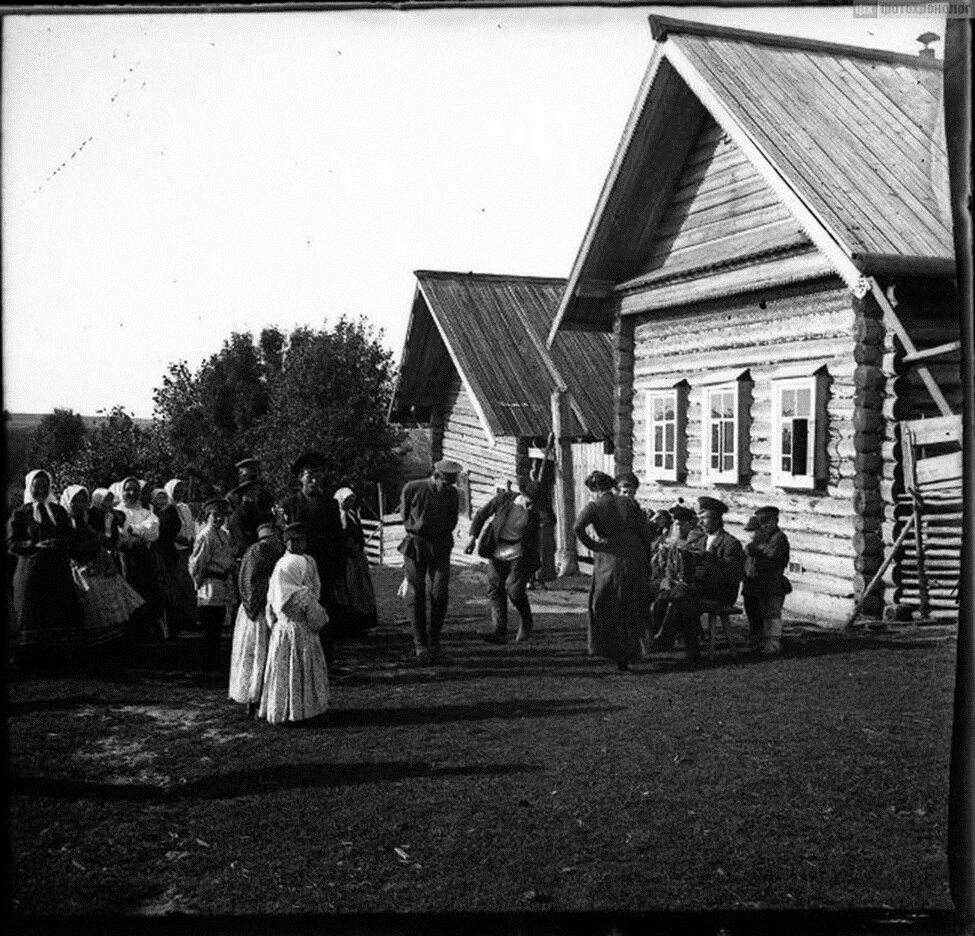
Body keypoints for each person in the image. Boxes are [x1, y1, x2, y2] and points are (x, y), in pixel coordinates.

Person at [573, 470, 654, 672]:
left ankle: (612, 651)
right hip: (634, 555)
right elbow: (645, 534)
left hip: (609, 557)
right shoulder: (629, 503)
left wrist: (594, 545)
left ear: (594, 490)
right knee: (632, 603)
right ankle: (633, 652)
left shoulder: (595, 506)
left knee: (606, 602)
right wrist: (645, 559)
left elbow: (577, 527)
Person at [653, 496, 745, 665]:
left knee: (675, 599)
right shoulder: (700, 540)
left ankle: (663, 638)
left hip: (722, 593)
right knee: (678, 600)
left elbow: (734, 574)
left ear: (717, 519)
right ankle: (687, 650)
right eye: (700, 518)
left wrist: (708, 571)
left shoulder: (730, 543)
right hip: (699, 589)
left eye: (705, 518)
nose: (701, 522)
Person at [258, 522, 330, 725]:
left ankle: (294, 708)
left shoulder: (300, 564)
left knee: (291, 669)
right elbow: (313, 616)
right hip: (296, 629)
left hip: (291, 629)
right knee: (295, 668)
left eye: (301, 540)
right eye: (293, 540)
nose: (298, 544)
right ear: (286, 542)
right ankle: (296, 709)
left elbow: (313, 588)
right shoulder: (291, 576)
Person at [7, 470, 84, 660]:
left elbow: (70, 536)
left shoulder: (58, 511)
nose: (41, 490)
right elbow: (12, 543)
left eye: (44, 486)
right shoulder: (21, 513)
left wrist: (59, 543)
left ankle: (59, 654)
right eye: (37, 486)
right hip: (32, 569)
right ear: (29, 487)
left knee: (58, 608)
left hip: (57, 569)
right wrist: (34, 545)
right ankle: (32, 656)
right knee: (33, 611)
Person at [280, 452, 345, 667]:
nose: (314, 481)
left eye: (318, 477)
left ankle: (324, 663)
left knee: (323, 615)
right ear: (300, 478)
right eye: (310, 476)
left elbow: (338, 541)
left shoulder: (330, 505)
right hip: (298, 570)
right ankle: (300, 664)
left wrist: (338, 575)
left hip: (324, 568)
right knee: (298, 616)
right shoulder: (290, 504)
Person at [62, 484, 143, 649]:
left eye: (83, 500)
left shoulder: (88, 518)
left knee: (112, 600)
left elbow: (104, 537)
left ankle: (110, 640)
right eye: (75, 500)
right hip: (78, 567)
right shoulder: (64, 521)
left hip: (95, 563)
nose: (79, 504)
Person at [465, 475, 542, 644]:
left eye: (535, 504)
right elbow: (481, 514)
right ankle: (499, 631)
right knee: (495, 588)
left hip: (518, 553)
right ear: (522, 495)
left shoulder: (534, 515)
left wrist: (534, 564)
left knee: (514, 590)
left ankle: (526, 621)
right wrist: (472, 538)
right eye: (529, 502)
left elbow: (535, 540)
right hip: (497, 549)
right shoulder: (504, 500)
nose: (531, 506)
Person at [398, 459, 461, 663]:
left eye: (450, 484)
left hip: (441, 545)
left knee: (439, 593)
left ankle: (435, 641)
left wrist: (440, 534)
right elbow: (404, 515)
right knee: (416, 594)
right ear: (435, 476)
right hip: (417, 544)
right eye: (444, 483)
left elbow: (453, 519)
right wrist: (418, 529)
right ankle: (420, 643)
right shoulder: (413, 488)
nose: (446, 487)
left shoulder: (451, 494)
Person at [229, 522, 285, 718]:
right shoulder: (261, 552)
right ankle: (255, 697)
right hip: (260, 611)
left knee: (256, 654)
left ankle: (257, 699)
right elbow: (253, 583)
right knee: (259, 653)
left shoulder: (254, 551)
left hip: (253, 611)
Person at [648, 502, 704, 653]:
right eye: (676, 524)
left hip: (694, 587)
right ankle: (649, 634)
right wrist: (668, 580)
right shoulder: (675, 542)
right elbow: (669, 567)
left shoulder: (697, 541)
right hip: (674, 583)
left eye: (680, 524)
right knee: (648, 591)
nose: (677, 528)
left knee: (668, 599)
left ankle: (661, 638)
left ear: (688, 525)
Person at [188, 497, 236, 669]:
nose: (218, 519)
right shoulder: (205, 535)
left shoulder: (224, 535)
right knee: (209, 625)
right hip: (210, 582)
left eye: (221, 515)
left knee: (218, 624)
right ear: (207, 516)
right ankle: (205, 662)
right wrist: (198, 582)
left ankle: (213, 659)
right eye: (214, 515)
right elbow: (196, 562)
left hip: (223, 583)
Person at [113, 476, 162, 643]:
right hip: (123, 561)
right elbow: (117, 535)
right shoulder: (116, 512)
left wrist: (132, 529)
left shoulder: (146, 512)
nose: (131, 493)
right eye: (127, 489)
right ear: (121, 491)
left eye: (135, 490)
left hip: (144, 561)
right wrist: (139, 534)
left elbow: (153, 532)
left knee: (146, 595)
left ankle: (146, 632)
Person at [743, 506, 791, 656]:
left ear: (775, 521)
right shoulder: (760, 538)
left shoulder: (779, 538)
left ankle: (773, 643)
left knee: (771, 613)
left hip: (773, 581)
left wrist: (756, 547)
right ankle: (757, 641)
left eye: (766, 522)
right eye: (761, 523)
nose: (763, 526)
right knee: (755, 613)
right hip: (757, 582)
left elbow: (772, 554)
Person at [333, 487, 378, 639]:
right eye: (347, 500)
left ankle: (362, 622)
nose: (350, 503)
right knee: (351, 590)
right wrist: (350, 547)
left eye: (351, 500)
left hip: (357, 556)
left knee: (361, 589)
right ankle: (352, 625)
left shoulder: (352, 514)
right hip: (348, 558)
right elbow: (343, 536)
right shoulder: (340, 516)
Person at [151, 487, 196, 639]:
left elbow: (174, 528)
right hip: (161, 553)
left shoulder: (171, 510)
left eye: (164, 496)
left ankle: (180, 624)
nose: (162, 499)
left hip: (170, 553)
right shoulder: (152, 513)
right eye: (158, 497)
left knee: (177, 588)